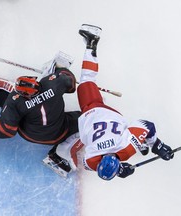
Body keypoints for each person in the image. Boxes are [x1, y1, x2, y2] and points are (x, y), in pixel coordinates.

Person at [0, 52, 82, 177]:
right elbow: (70, 83)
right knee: (91, 120)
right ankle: (62, 156)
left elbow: (6, 130)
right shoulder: (52, 84)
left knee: (8, 92)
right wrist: (59, 70)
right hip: (61, 130)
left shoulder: (15, 101)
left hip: (30, 133)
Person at [74, 24, 174, 180]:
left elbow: (147, 125)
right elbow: (147, 125)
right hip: (93, 111)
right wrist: (155, 145)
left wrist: (157, 145)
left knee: (132, 132)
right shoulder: (92, 158)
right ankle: (91, 44)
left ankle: (140, 141)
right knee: (87, 80)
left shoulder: (126, 150)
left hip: (104, 114)